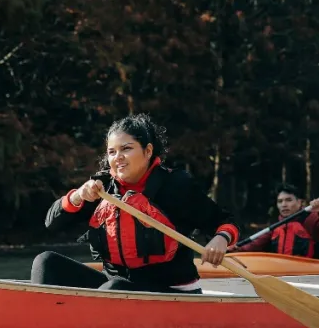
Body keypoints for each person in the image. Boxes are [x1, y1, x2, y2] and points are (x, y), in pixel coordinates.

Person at [31, 113, 239, 294]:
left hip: (169, 291)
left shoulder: (175, 185)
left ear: (148, 151)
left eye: (126, 149)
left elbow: (225, 221)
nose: (117, 157)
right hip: (115, 287)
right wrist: (77, 197)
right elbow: (52, 224)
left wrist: (221, 239)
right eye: (112, 152)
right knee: (46, 262)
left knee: (113, 289)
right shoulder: (101, 188)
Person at [231, 184, 319, 259]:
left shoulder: (312, 220)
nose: (284, 205)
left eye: (288, 200)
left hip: (310, 271)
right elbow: (254, 245)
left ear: (300, 202)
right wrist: (236, 249)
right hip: (282, 272)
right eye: (280, 201)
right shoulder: (276, 226)